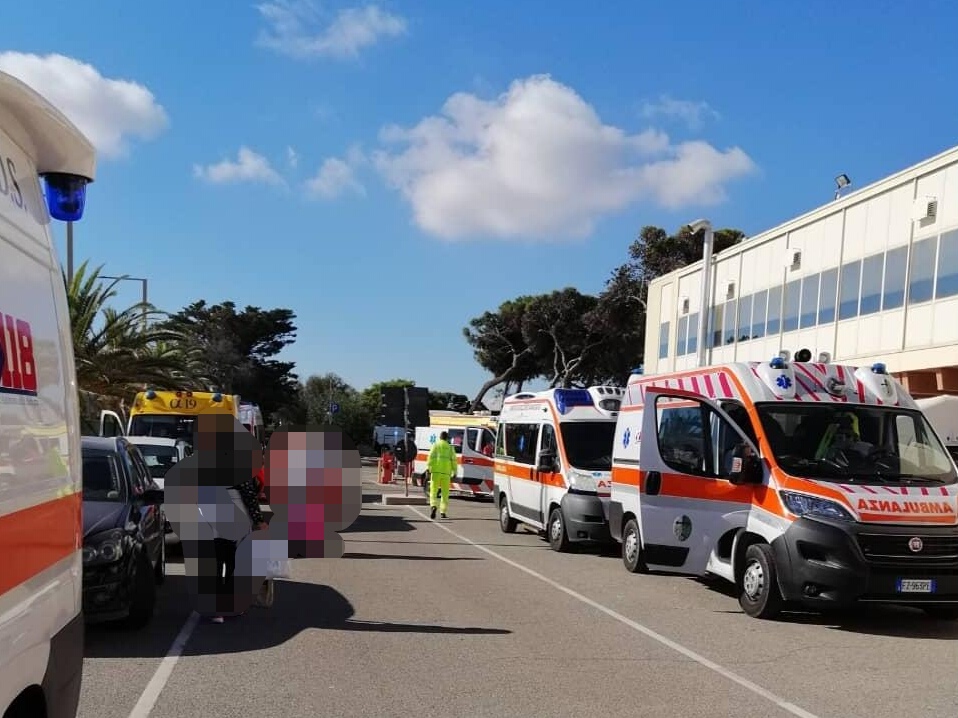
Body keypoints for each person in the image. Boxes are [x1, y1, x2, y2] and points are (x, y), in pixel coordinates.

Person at [427, 431, 457, 519]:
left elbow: (430, 457)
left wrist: (428, 469)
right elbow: (454, 460)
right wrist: (455, 472)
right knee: (445, 493)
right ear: (447, 438)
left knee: (433, 491)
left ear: (440, 437)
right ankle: (443, 512)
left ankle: (433, 506)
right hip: (446, 473)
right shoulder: (450, 448)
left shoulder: (435, 445)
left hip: (435, 472)